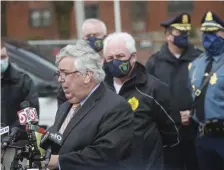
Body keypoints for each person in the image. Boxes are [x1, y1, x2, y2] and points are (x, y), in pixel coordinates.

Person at [47, 40, 133, 170]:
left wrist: (59, 161)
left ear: (87, 75)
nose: (60, 79)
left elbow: (105, 155)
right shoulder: (65, 107)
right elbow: (56, 142)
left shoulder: (116, 108)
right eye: (58, 74)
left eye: (65, 73)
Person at [103, 32, 179, 170]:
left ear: (133, 57)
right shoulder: (99, 89)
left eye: (120, 56)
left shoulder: (154, 89)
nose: (115, 61)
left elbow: (171, 130)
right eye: (110, 58)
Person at [145, 13, 201, 170]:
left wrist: (192, 113)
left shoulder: (199, 59)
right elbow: (149, 97)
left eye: (186, 32)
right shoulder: (154, 63)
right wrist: (176, 116)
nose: (184, 36)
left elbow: (205, 94)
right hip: (167, 133)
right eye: (179, 32)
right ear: (168, 36)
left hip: (194, 130)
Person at [188, 11, 224, 170]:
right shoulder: (196, 64)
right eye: (204, 33)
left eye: (212, 32)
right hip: (202, 136)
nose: (207, 37)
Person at [57, 18, 107, 106]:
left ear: (105, 37)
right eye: (88, 36)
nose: (92, 39)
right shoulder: (73, 67)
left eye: (96, 35)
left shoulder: (112, 68)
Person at [1, 39, 39, 139]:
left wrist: (13, 132)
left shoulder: (23, 81)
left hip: (15, 144)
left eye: (3, 57)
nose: (1, 61)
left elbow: (31, 116)